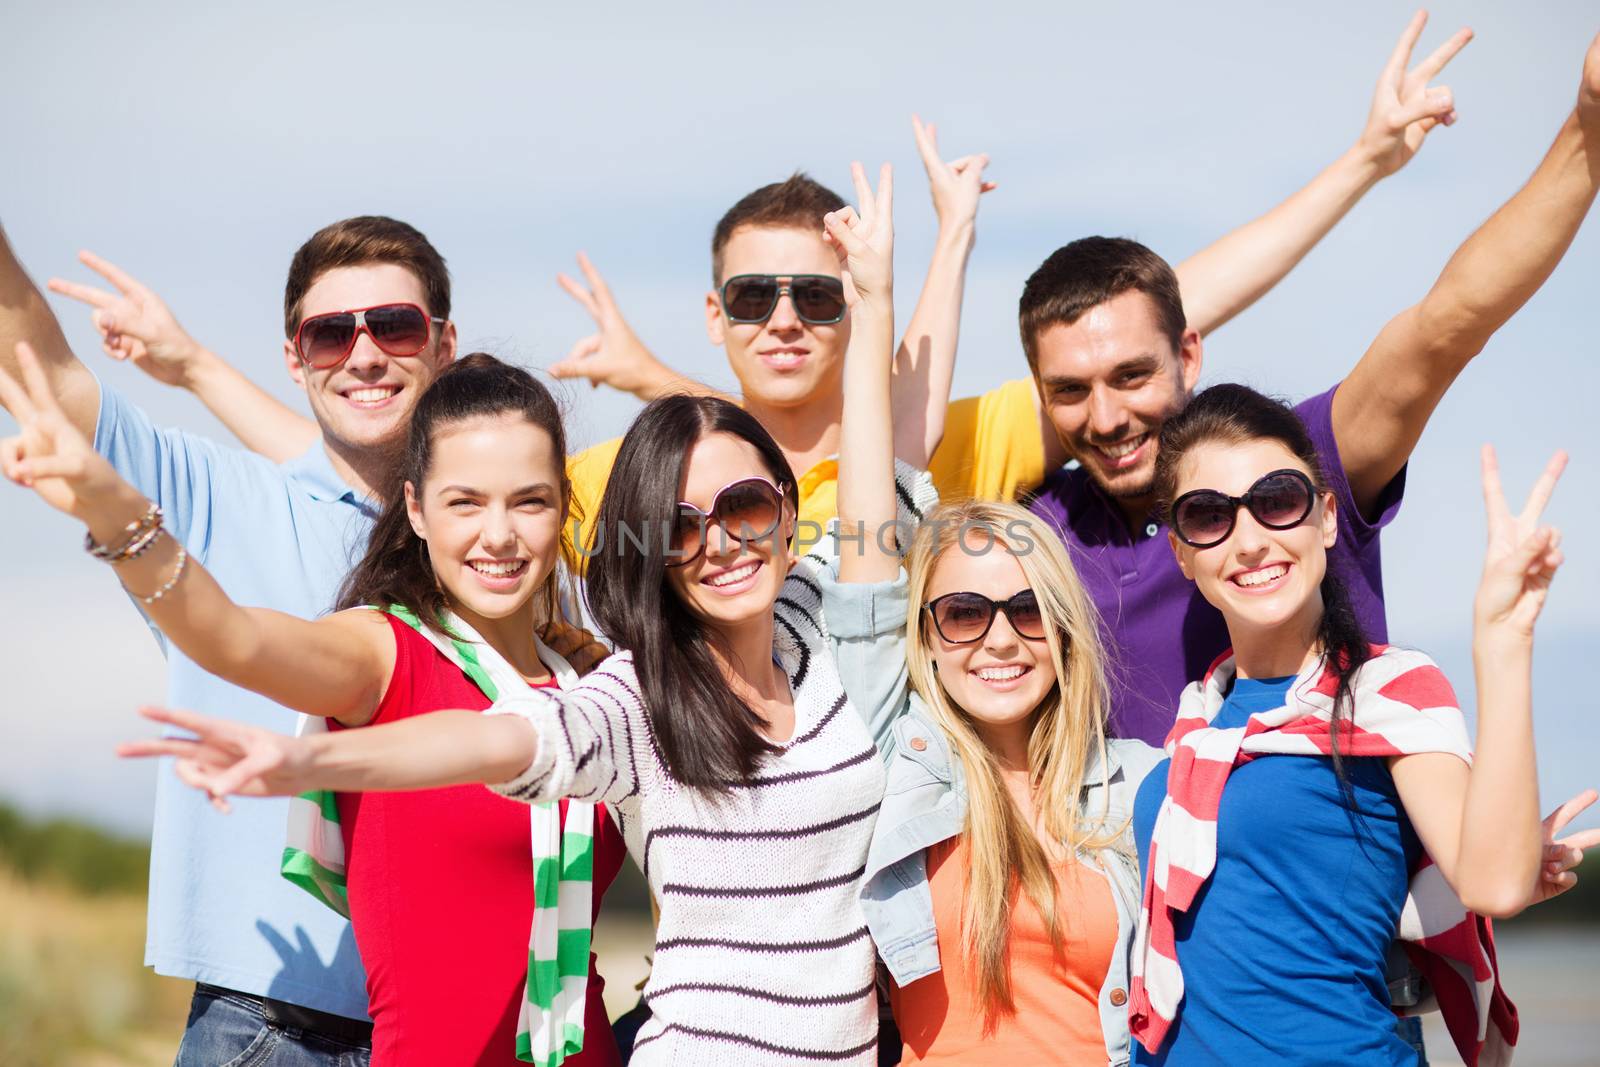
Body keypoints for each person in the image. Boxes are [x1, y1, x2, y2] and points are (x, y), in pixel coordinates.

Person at [57, 9, 1469, 530]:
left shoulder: (958, 441)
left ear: (853, 306)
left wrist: (1361, 165)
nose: (785, 318)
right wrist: (191, 369)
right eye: (753, 297)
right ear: (718, 317)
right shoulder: (632, 480)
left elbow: (1166, 314)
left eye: (817, 292)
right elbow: (365, 486)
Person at [107, 165, 909, 1066]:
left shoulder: (786, 637)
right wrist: (308, 756)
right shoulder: (617, 696)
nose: (719, 540)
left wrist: (878, 299)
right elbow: (488, 738)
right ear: (415, 510)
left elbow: (878, 505)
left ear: (792, 516)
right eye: (681, 527)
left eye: (747, 510)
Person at [0, 349, 625, 1065]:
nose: (499, 534)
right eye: (466, 501)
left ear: (561, 508)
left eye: (529, 500)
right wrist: (115, 512)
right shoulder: (383, 654)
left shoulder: (589, 684)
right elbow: (231, 636)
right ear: (416, 509)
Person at [1024, 28, 1600, 744]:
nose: (1107, 416)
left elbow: (1449, 322)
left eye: (1132, 375)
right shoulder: (1034, 535)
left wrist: (1589, 126)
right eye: (1072, 390)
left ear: (1189, 356)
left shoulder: (1295, 465)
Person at [1118, 383, 1585, 1066]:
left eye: (1278, 500)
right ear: (1184, 552)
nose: (1249, 540)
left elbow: (1494, 883)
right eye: (1209, 514)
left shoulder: (1383, 692)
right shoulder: (1194, 723)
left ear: (1327, 518)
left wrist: (1503, 640)